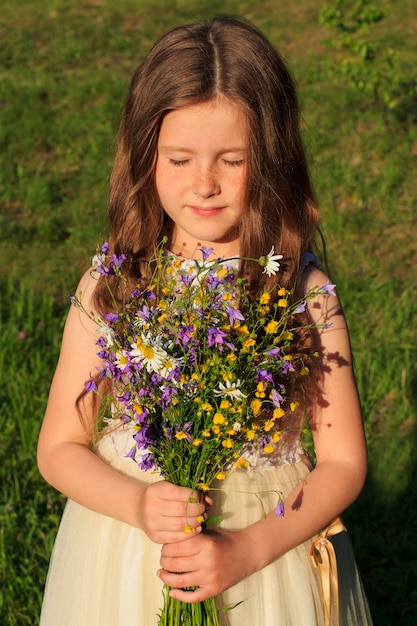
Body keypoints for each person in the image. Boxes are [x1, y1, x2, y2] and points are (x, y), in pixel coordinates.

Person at [37, 16, 373, 626]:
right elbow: (59, 447)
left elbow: (345, 462)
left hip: (264, 559)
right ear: (146, 155)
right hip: (134, 557)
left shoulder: (303, 292)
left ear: (271, 158)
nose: (204, 183)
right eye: (180, 158)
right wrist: (139, 504)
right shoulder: (116, 284)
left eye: (233, 159)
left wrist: (246, 550)